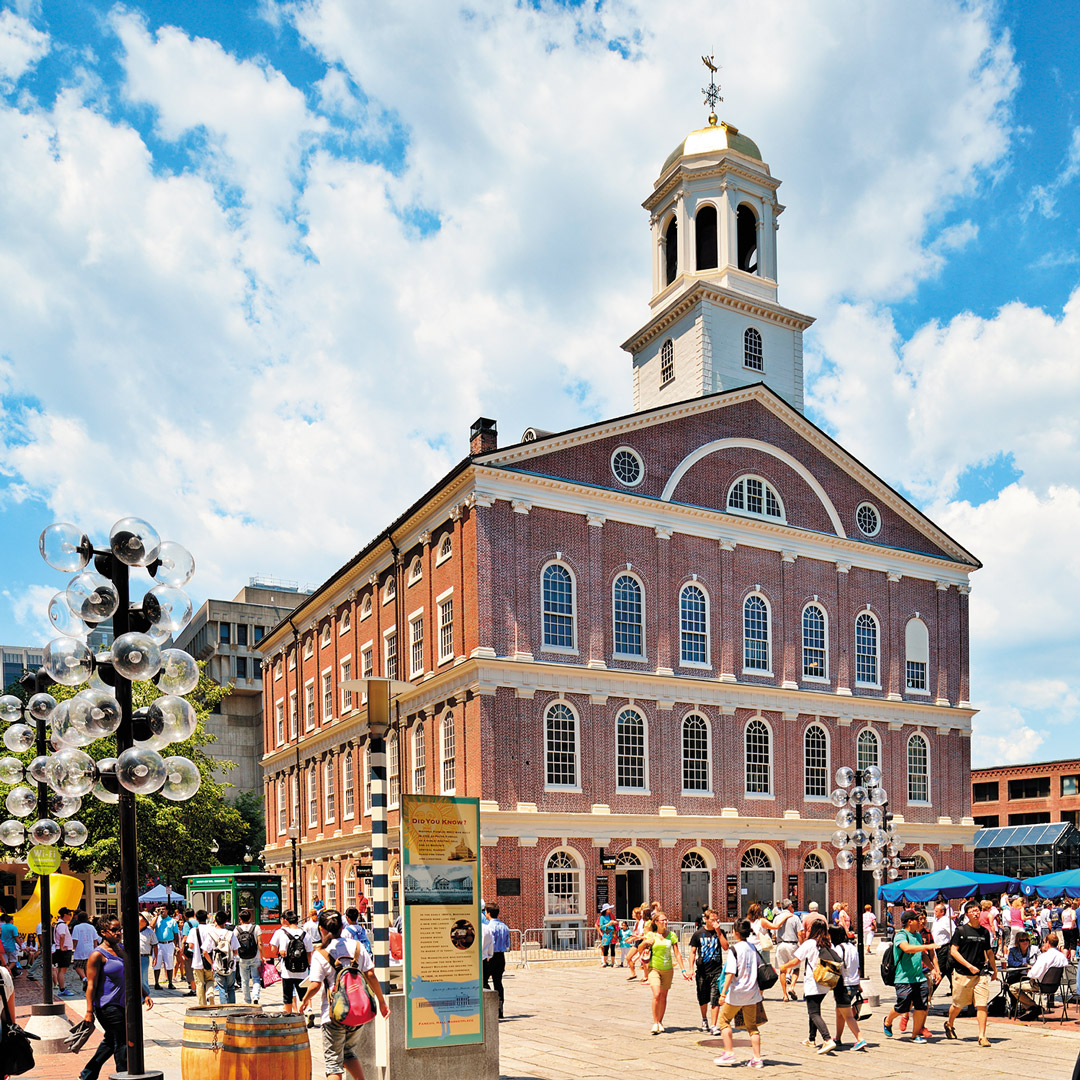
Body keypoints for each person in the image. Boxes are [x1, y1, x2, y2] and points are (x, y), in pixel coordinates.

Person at [299, 909, 389, 1080]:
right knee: (348, 1053)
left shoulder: (321, 954)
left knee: (333, 1063)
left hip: (334, 1014)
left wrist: (305, 1000)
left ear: (321, 930)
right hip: (358, 1012)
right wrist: (382, 1003)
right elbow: (370, 975)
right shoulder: (357, 946)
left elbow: (315, 985)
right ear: (342, 927)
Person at [79, 916, 153, 1080]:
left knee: (110, 1041)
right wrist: (89, 1011)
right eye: (114, 930)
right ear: (103, 932)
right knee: (121, 1042)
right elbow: (91, 985)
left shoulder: (122, 949)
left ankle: (87, 1074)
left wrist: (144, 993)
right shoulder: (97, 955)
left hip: (123, 1004)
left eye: (119, 929)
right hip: (107, 1006)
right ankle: (123, 1075)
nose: (118, 933)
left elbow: (131, 975)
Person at [712, 918, 766, 1068]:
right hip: (752, 992)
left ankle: (729, 1053)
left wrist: (722, 994)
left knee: (724, 1021)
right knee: (752, 1027)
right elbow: (759, 967)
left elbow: (730, 973)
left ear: (735, 933)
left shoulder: (735, 950)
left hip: (736, 993)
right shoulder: (753, 948)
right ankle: (757, 1058)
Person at [779, 917, 838, 1053]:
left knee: (813, 1012)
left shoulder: (810, 943)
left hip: (813, 983)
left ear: (813, 930)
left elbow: (795, 961)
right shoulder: (828, 944)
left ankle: (828, 1039)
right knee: (814, 1010)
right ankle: (811, 1039)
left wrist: (783, 966)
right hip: (825, 982)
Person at [945, 898, 998, 1046]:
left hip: (980, 973)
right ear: (967, 914)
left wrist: (994, 970)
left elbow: (989, 952)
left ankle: (982, 1036)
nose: (975, 913)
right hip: (963, 973)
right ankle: (949, 1023)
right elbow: (953, 951)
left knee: (982, 1005)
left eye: (977, 910)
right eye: (972, 911)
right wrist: (968, 966)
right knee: (958, 1004)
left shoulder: (984, 932)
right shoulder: (961, 931)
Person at [625, 911, 686, 1035]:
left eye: (666, 920)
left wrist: (683, 969)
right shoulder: (651, 935)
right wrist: (646, 943)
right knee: (657, 994)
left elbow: (677, 953)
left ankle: (660, 1021)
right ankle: (655, 1022)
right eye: (662, 920)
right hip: (654, 968)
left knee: (664, 996)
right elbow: (640, 949)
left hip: (668, 969)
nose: (665, 922)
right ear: (656, 922)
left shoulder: (672, 935)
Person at [883, 909, 939, 1043]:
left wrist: (933, 969)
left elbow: (923, 955)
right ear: (910, 921)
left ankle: (915, 1035)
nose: (920, 921)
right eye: (917, 919)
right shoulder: (901, 936)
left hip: (919, 977)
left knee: (921, 1006)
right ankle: (888, 1020)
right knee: (903, 1007)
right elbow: (907, 948)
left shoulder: (918, 935)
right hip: (903, 978)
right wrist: (928, 945)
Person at [688, 909, 727, 1033]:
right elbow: (692, 952)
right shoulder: (698, 934)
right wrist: (690, 968)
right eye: (712, 920)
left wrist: (719, 932)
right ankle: (704, 1019)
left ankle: (714, 1025)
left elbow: (726, 947)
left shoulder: (720, 933)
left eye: (717, 920)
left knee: (715, 997)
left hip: (717, 971)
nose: (715, 922)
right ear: (706, 919)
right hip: (702, 971)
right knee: (703, 998)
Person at [829, 925, 867, 1051]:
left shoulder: (838, 949)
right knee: (840, 1011)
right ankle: (838, 1037)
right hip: (854, 983)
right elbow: (857, 967)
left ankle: (860, 1038)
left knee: (848, 1015)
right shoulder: (852, 947)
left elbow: (836, 967)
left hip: (843, 985)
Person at [270, 908, 314, 1014]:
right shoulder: (305, 934)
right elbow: (309, 953)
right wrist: (307, 965)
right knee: (304, 995)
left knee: (288, 996)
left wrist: (279, 952)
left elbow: (276, 950)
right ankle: (308, 1012)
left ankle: (290, 1016)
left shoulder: (283, 934)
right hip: (302, 971)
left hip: (287, 971)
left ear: (287, 921)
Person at [481, 903, 510, 1018]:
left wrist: (488, 954)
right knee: (498, 982)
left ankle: (490, 1006)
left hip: (491, 956)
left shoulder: (489, 927)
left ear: (488, 913)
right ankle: (500, 1007)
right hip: (501, 956)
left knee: (484, 982)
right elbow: (507, 944)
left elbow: (490, 943)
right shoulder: (505, 926)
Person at [206, 909, 240, 1005]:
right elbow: (236, 950)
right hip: (231, 965)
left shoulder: (212, 935)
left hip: (218, 965)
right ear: (226, 922)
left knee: (222, 988)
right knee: (231, 988)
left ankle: (224, 1010)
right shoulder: (231, 934)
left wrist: (212, 963)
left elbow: (205, 951)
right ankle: (232, 1009)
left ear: (215, 921)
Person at [773, 899, 803, 1002]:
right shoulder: (795, 918)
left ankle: (784, 994)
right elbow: (800, 933)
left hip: (780, 944)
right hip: (792, 944)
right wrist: (802, 944)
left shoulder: (777, 918)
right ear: (790, 906)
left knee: (782, 970)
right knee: (796, 968)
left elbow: (773, 934)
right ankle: (792, 987)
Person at [184, 910, 214, 1006]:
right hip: (209, 960)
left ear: (196, 919)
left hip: (197, 960)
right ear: (207, 918)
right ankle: (210, 993)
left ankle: (202, 1004)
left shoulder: (193, 930)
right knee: (210, 980)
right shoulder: (211, 928)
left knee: (199, 983)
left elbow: (191, 946)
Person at [234, 907, 263, 1006]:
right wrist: (262, 956)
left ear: (240, 919)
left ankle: (247, 1000)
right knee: (256, 978)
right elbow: (260, 943)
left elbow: (234, 944)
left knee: (244, 980)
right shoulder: (256, 928)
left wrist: (236, 955)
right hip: (255, 956)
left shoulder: (237, 930)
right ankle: (255, 996)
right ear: (250, 918)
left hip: (242, 958)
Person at [71, 912, 101, 993]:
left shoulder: (76, 927)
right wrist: (95, 947)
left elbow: (75, 939)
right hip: (90, 948)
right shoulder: (91, 927)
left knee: (78, 966)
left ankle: (84, 978)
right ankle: (90, 980)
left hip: (80, 949)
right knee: (89, 965)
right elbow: (95, 939)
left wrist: (74, 947)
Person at [153, 905, 180, 990]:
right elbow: (151, 926)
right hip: (158, 944)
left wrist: (176, 946)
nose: (162, 911)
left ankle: (170, 982)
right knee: (157, 963)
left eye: (163, 909)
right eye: (160, 909)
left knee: (169, 963)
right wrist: (156, 916)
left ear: (167, 910)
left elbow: (176, 934)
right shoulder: (157, 920)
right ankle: (156, 983)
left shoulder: (172, 921)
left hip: (169, 943)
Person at [53, 907, 75, 997]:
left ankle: (62, 988)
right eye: (69, 914)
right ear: (65, 915)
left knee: (61, 970)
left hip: (63, 949)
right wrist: (62, 947)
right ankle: (62, 988)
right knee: (62, 970)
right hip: (63, 951)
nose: (70, 916)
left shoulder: (61, 924)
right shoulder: (62, 925)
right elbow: (62, 936)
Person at [137, 914, 157, 998]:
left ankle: (145, 996)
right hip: (132, 957)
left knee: (143, 978)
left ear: (145, 921)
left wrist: (155, 958)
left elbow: (155, 945)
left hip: (144, 957)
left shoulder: (149, 932)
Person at [0, 914, 23, 978]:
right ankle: (7, 971)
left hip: (3, 946)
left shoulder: (2, 927)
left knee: (5, 962)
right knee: (13, 961)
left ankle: (6, 973)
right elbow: (16, 937)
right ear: (11, 920)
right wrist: (20, 946)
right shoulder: (13, 927)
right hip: (11, 947)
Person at [597, 903, 618, 968]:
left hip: (612, 933)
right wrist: (609, 923)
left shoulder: (611, 915)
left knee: (612, 948)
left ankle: (613, 962)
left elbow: (615, 921)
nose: (610, 910)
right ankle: (604, 962)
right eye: (609, 909)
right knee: (605, 948)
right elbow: (601, 926)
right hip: (606, 933)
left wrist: (614, 922)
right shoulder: (601, 917)